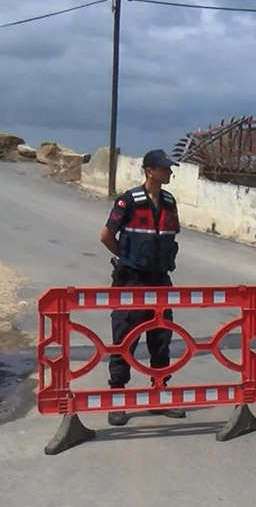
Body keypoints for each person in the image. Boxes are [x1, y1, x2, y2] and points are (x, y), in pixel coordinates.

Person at [99, 149, 186, 427]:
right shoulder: (129, 201)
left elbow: (171, 239)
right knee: (125, 339)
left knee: (161, 339)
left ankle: (159, 396)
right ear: (150, 171)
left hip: (161, 279)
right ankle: (117, 399)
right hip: (132, 280)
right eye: (165, 169)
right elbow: (106, 236)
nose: (169, 172)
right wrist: (126, 260)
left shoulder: (170, 202)